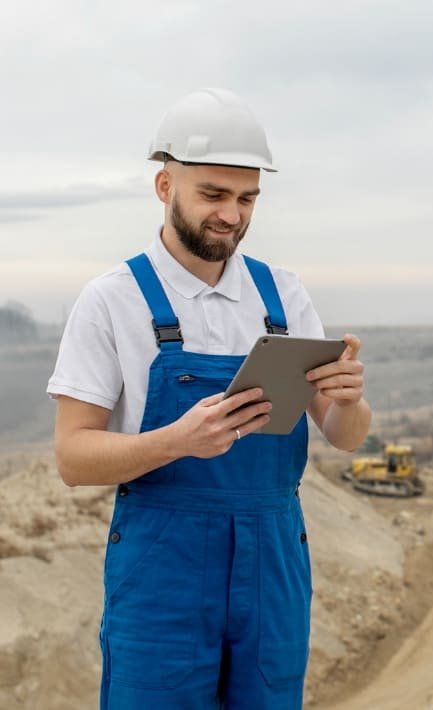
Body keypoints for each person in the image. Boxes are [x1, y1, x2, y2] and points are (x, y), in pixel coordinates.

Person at [48, 88, 372, 710]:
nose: (232, 215)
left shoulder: (283, 295)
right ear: (165, 187)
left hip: (274, 556)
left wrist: (349, 399)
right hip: (163, 565)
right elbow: (72, 457)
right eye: (214, 196)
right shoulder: (113, 300)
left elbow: (344, 435)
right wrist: (178, 443)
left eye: (247, 198)